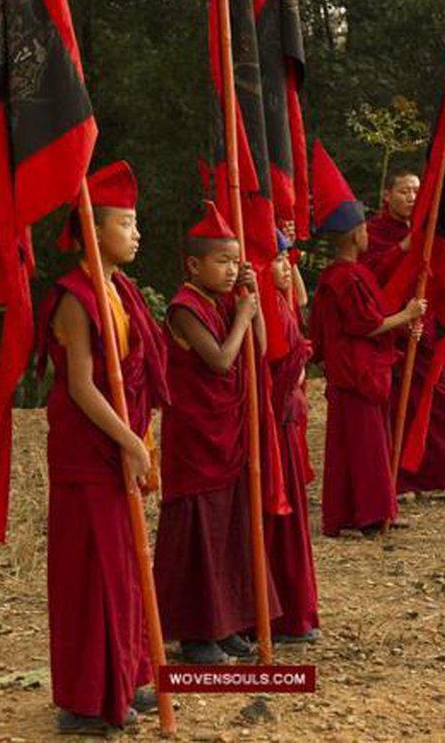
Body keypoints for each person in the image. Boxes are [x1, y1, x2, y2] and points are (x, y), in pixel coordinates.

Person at [37, 161, 168, 736]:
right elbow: (81, 385)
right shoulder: (74, 296)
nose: (136, 233)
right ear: (94, 229)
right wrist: (129, 441)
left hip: (118, 446)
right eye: (127, 223)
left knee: (123, 567)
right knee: (94, 570)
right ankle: (88, 701)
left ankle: (124, 679)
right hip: (88, 452)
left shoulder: (122, 291)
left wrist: (139, 439)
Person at [153, 201, 281, 664]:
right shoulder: (183, 307)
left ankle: (225, 623)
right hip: (195, 439)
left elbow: (260, 349)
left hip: (228, 435)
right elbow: (221, 360)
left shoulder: (227, 301)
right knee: (199, 532)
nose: (230, 271)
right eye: (221, 262)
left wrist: (254, 301)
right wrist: (244, 315)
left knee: (229, 528)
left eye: (235, 262)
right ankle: (194, 634)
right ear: (194, 264)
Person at [308, 143, 426, 536]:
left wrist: (402, 324)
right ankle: (373, 515)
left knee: (350, 446)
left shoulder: (336, 276)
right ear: (358, 234)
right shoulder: (348, 277)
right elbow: (367, 325)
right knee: (367, 446)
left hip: (351, 374)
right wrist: (405, 316)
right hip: (358, 373)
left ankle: (348, 514)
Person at [365, 169, 445, 506]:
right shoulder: (374, 232)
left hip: (428, 332)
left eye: (416, 192)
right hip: (392, 331)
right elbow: (370, 275)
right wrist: (405, 247)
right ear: (387, 196)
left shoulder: (433, 230)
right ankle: (403, 479)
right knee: (399, 408)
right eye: (404, 191)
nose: (411, 197)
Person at [264, 230, 319, 642]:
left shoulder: (283, 303)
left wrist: (286, 262)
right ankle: (279, 614)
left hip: (289, 424)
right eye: (280, 259)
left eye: (290, 259)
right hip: (273, 428)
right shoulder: (266, 310)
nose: (288, 265)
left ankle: (295, 609)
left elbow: (300, 298)